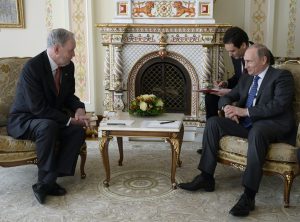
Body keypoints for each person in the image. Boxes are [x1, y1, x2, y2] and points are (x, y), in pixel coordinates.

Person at [178, 44, 296, 217]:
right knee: (213, 123)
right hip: (247, 125)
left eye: (249, 61)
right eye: (245, 61)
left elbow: (278, 106)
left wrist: (244, 111)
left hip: (272, 125)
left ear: (263, 60)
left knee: (258, 130)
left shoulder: (281, 76)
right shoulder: (248, 78)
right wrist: (227, 108)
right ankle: (206, 177)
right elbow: (228, 96)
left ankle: (248, 196)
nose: (245, 65)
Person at [7, 28, 90, 204]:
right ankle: (46, 181)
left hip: (50, 118)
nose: (74, 54)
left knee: (77, 131)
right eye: (71, 50)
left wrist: (79, 110)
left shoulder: (68, 67)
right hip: (25, 119)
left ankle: (48, 181)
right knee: (48, 126)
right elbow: (38, 109)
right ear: (57, 48)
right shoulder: (33, 68)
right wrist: (68, 120)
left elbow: (68, 96)